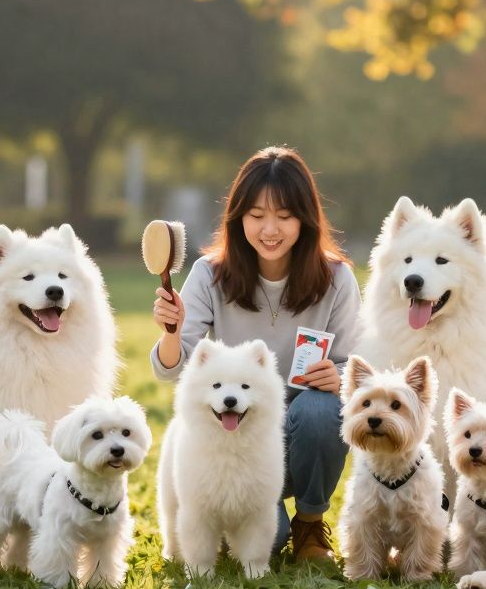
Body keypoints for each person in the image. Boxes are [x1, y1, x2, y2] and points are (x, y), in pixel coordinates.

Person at [150, 146, 361, 563]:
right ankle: (269, 518)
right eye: (257, 215)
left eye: (284, 216)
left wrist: (342, 378)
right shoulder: (210, 275)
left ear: (306, 218)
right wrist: (171, 332)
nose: (270, 229)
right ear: (238, 217)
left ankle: (309, 523)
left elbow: (360, 364)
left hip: (299, 430)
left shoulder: (336, 278)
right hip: (234, 445)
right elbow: (173, 371)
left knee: (322, 411)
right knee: (265, 536)